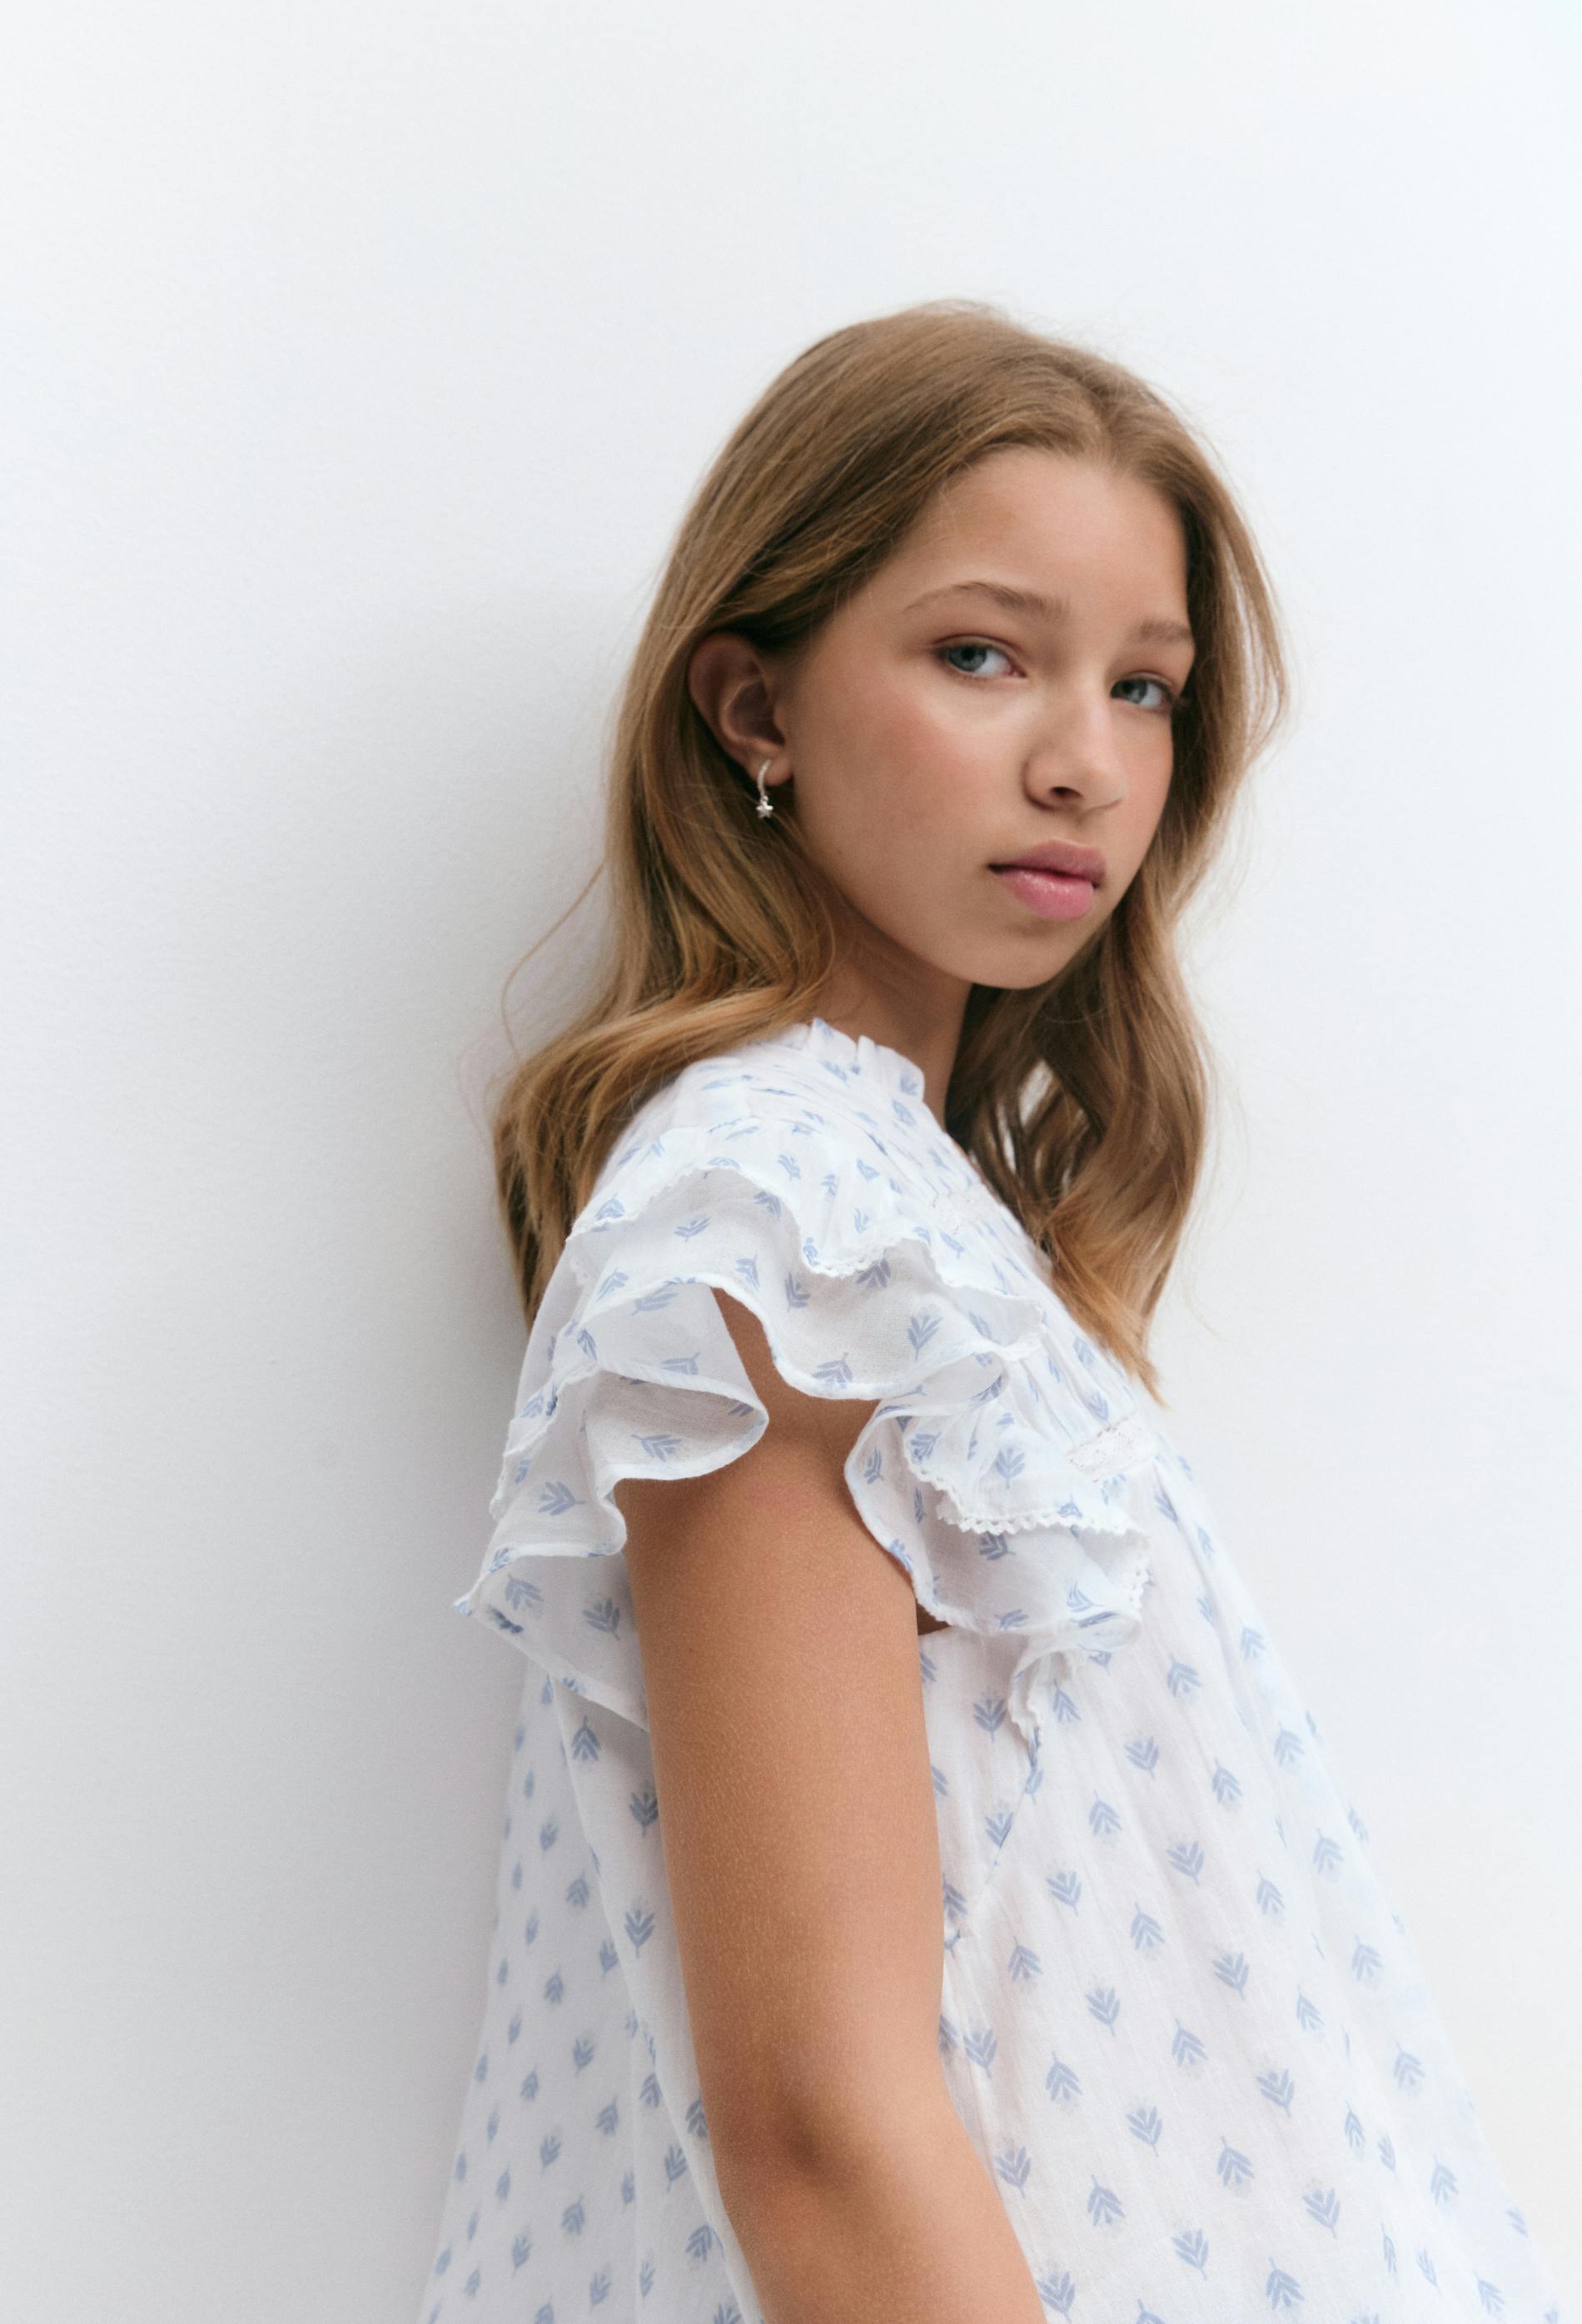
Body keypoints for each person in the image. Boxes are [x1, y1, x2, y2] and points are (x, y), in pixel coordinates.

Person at [416, 301, 1567, 2322]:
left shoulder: (911, 1210)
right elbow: (818, 2127)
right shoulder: (778, 1215)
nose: (1082, 766)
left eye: (1143, 688)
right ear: (751, 707)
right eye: (979, 654)